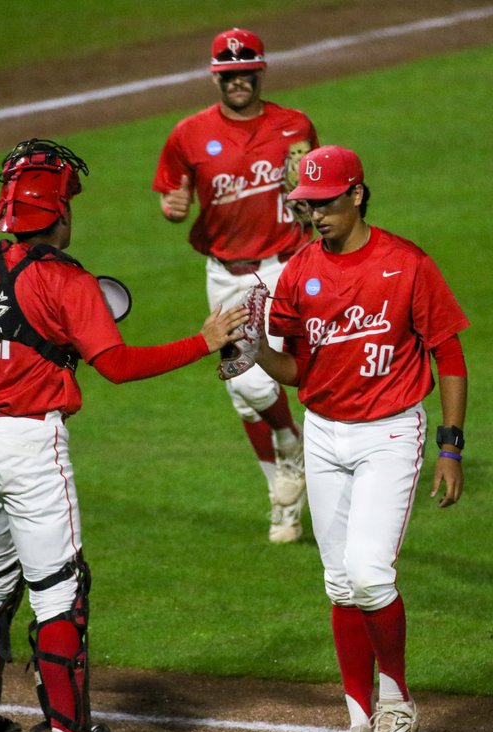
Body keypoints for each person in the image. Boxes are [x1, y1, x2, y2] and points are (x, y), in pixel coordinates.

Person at [0, 138, 247, 732]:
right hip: (31, 445)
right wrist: (202, 341)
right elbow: (116, 366)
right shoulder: (68, 280)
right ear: (58, 213)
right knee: (61, 592)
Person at [252, 145, 470, 732]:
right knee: (340, 584)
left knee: (371, 574)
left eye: (323, 202)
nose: (314, 213)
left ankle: (397, 705)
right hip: (323, 434)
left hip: (390, 435)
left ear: (356, 195)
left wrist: (450, 446)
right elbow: (299, 371)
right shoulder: (297, 273)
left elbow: (449, 356)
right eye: (305, 204)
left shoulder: (407, 265)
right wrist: (254, 355)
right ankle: (356, 723)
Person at [153, 27, 319, 544]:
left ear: (260, 71)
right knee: (245, 397)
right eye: (228, 74)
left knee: (250, 377)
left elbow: (311, 188)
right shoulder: (188, 135)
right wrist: (172, 208)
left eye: (245, 71)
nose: (237, 81)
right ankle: (285, 495)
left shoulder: (295, 126)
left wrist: (309, 204)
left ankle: (294, 448)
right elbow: (171, 195)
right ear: (216, 76)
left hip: (283, 266)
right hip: (224, 272)